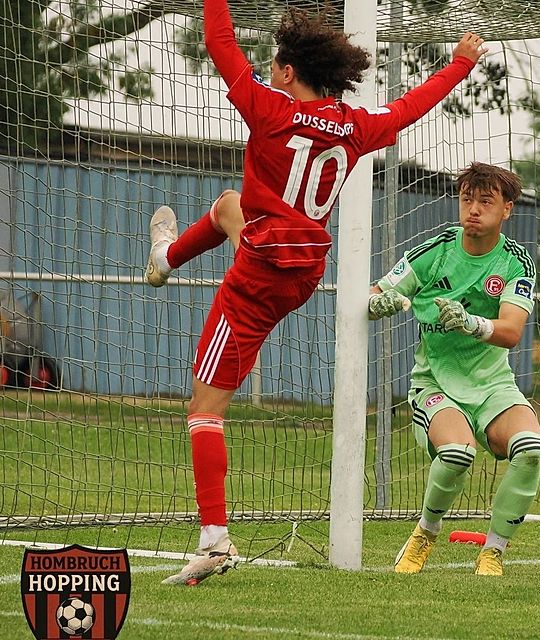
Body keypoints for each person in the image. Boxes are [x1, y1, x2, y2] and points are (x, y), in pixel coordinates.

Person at [150, 0, 487, 586]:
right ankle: (165, 258)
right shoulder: (355, 126)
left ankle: (214, 542)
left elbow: (220, 44)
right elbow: (410, 108)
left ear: (285, 72)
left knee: (204, 413)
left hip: (257, 278)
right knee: (233, 207)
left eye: (273, 64)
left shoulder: (268, 108)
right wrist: (458, 64)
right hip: (303, 273)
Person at [367, 162, 540, 576]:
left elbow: (511, 331)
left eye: (486, 201)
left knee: (531, 450)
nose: (474, 209)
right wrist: (378, 303)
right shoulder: (435, 252)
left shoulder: (516, 263)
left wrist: (472, 323)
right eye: (468, 199)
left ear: (507, 210)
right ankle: (424, 535)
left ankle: (493, 551)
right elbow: (376, 292)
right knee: (457, 451)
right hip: (436, 386)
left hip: (492, 387)